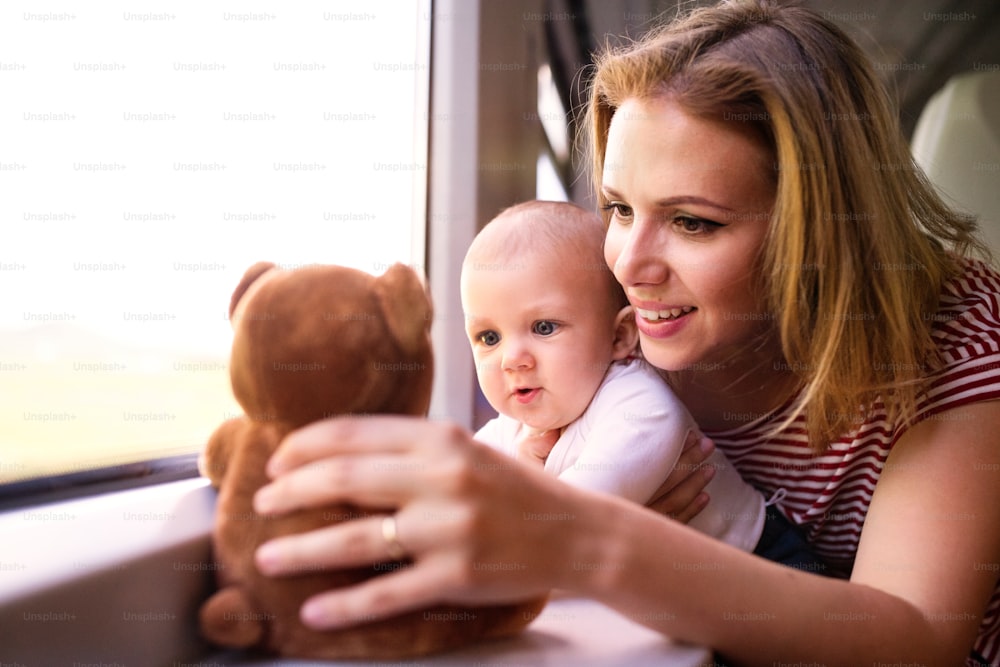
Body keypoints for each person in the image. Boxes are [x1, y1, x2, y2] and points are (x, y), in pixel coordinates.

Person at [249, 1, 1000, 664]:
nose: (631, 266)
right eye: (617, 208)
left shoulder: (961, 346)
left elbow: (912, 637)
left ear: (818, 230)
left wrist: (590, 539)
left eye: (692, 222)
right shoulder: (615, 325)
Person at [462, 199, 771, 554]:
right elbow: (455, 500)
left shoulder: (640, 409)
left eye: (544, 327)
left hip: (767, 564)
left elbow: (560, 536)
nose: (512, 360)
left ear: (620, 336)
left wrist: (517, 494)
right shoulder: (510, 427)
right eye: (489, 338)